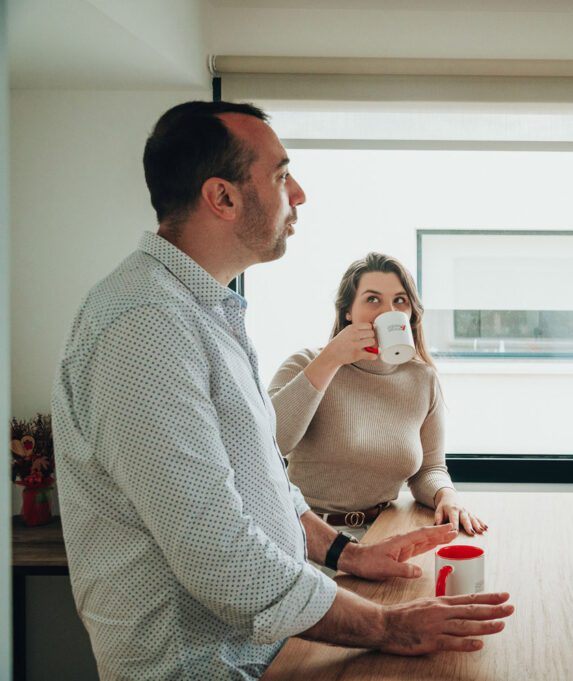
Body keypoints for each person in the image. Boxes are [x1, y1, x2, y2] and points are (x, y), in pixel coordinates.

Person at [51, 101, 513, 681]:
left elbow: (266, 484)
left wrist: (349, 554)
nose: (298, 194)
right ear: (222, 198)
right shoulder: (144, 325)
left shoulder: (211, 314)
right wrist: (386, 627)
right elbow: (222, 558)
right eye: (280, 175)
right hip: (207, 667)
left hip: (271, 647)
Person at [268, 253, 486, 539]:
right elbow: (269, 443)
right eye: (373, 300)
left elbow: (428, 469)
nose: (388, 311)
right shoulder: (306, 363)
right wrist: (332, 358)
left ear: (410, 314)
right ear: (348, 311)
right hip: (306, 535)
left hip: (382, 532)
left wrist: (446, 495)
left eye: (399, 301)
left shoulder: (422, 379)